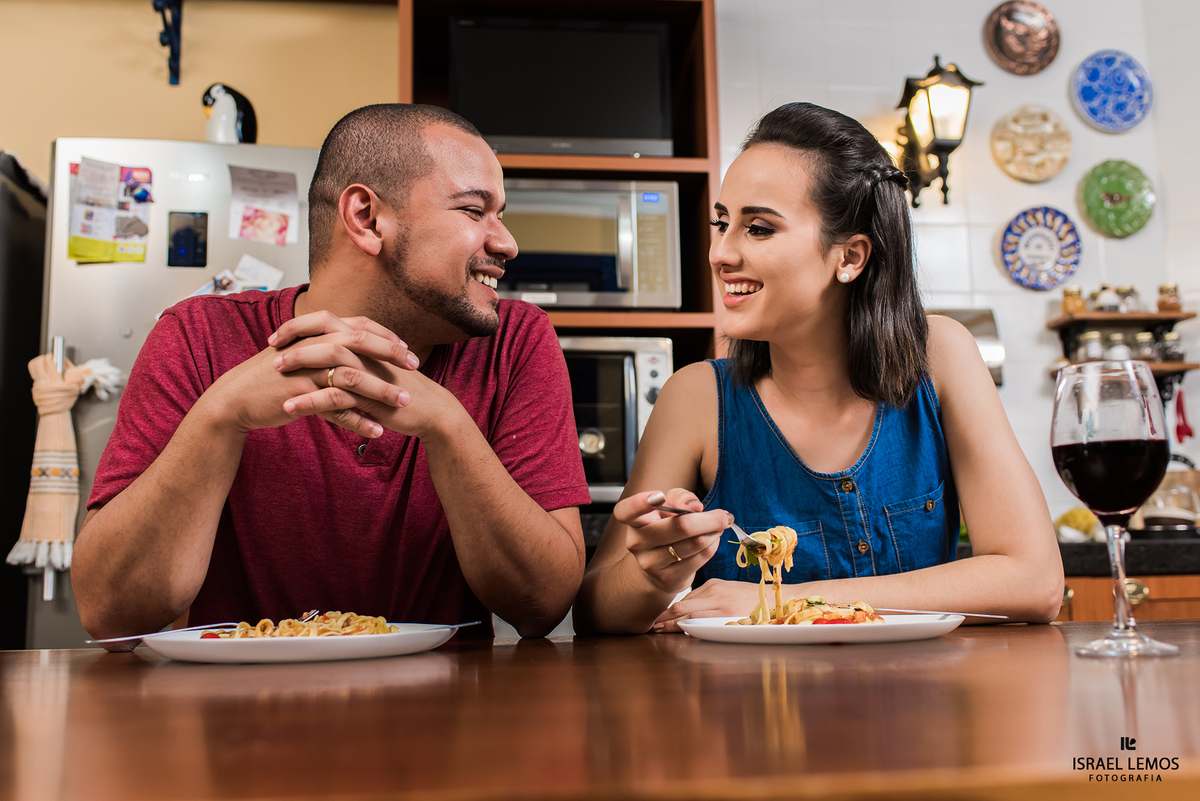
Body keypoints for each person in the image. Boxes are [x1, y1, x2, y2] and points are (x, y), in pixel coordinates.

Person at [74, 104, 591, 646]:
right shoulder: (197, 336)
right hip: (233, 721)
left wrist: (447, 424)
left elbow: (543, 607)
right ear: (366, 218)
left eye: (500, 215)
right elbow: (113, 618)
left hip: (451, 720)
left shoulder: (516, 342)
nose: (507, 243)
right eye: (472, 211)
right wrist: (219, 418)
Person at [574, 102, 1064, 635]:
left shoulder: (940, 354)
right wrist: (658, 574)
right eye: (721, 224)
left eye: (758, 228)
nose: (719, 252)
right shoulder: (695, 396)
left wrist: (790, 600)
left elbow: (1035, 581)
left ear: (850, 257)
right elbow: (597, 611)